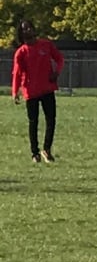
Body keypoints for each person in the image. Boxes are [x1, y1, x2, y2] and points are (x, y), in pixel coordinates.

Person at [11, 20, 64, 163]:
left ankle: (47, 149)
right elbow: (16, 73)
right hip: (31, 91)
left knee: (51, 120)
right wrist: (15, 92)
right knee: (33, 122)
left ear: (34, 29)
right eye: (24, 29)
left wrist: (56, 72)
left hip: (47, 88)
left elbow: (59, 59)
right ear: (21, 34)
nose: (27, 30)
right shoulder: (21, 52)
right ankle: (35, 153)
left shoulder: (45, 45)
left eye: (29, 27)